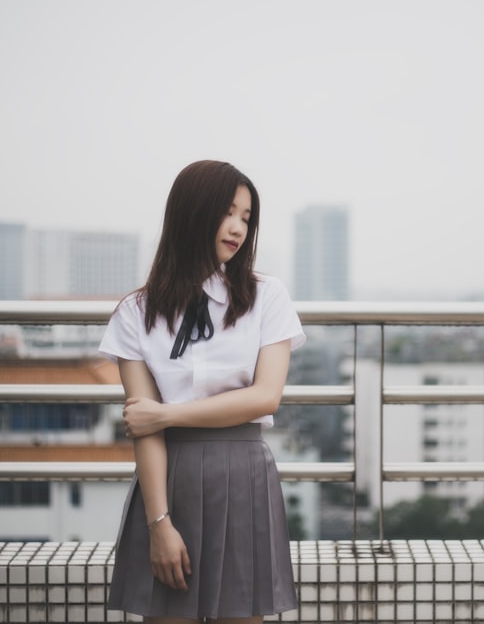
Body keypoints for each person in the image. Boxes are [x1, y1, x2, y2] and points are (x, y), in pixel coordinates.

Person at [98, 160, 305, 623]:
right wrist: (159, 525)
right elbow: (142, 429)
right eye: (227, 212)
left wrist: (167, 416)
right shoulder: (135, 312)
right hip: (170, 482)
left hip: (243, 476)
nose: (237, 228)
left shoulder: (266, 296)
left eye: (246, 217)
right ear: (193, 213)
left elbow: (264, 397)